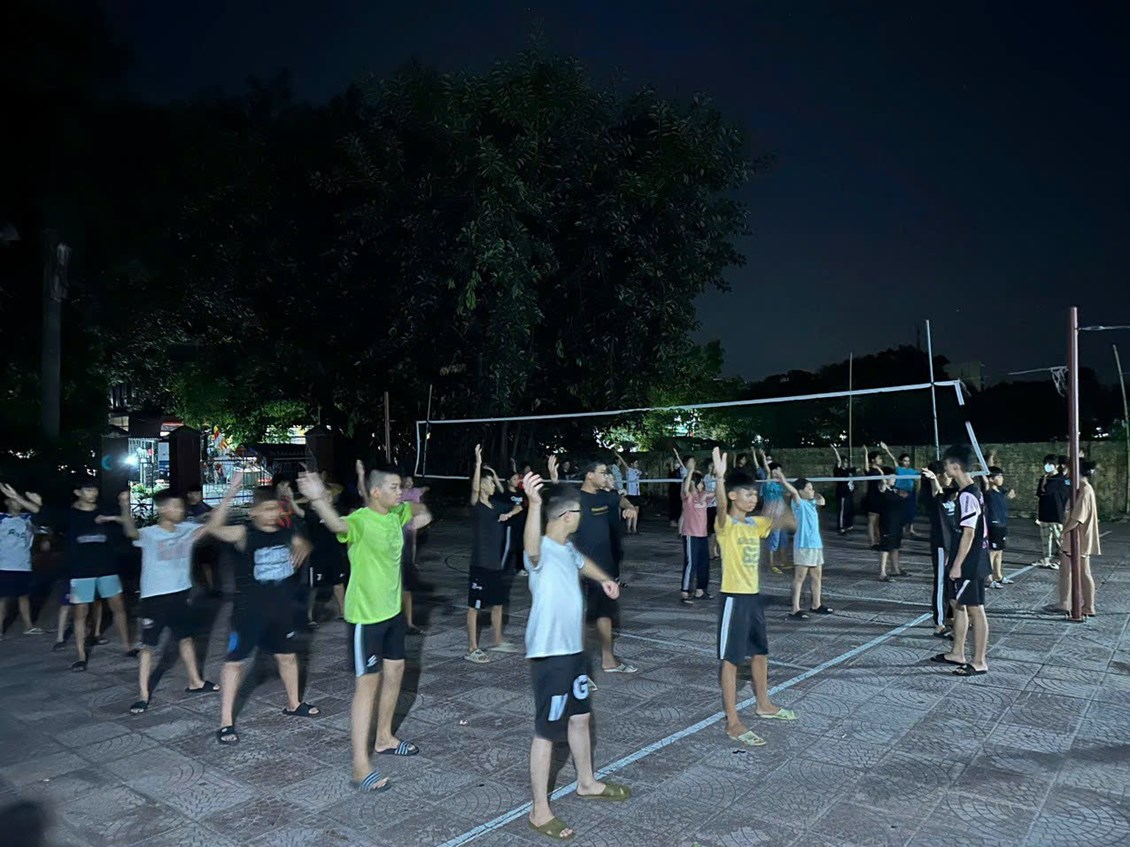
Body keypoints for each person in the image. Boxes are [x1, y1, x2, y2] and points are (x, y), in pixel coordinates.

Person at [299, 464, 432, 792]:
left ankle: (384, 738)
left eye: (400, 487)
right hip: (366, 619)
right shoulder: (360, 519)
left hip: (392, 613)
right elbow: (337, 524)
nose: (399, 492)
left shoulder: (396, 513)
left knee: (396, 673)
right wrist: (318, 499)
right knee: (367, 687)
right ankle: (360, 767)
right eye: (393, 487)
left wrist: (420, 510)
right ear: (375, 492)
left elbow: (417, 511)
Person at [521, 472, 630, 840]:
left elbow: (582, 563)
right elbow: (532, 547)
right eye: (579, 512)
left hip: (574, 653)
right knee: (547, 731)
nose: (583, 517)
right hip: (550, 654)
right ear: (567, 516)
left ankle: (587, 782)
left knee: (581, 718)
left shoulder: (567, 548)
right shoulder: (539, 549)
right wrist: (534, 505)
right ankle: (539, 810)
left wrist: (605, 579)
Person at [204, 473, 317, 745]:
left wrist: (305, 545)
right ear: (253, 511)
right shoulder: (245, 533)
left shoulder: (287, 531)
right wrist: (231, 492)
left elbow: (304, 543)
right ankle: (226, 722)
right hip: (247, 613)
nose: (272, 514)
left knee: (287, 657)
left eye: (275, 509)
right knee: (235, 663)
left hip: (280, 611)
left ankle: (294, 703)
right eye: (266, 509)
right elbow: (215, 528)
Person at [712, 448, 797, 748]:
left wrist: (782, 494)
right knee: (731, 659)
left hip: (753, 597)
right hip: (733, 598)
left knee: (760, 653)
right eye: (747, 494)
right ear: (733, 495)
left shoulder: (755, 524)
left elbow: (790, 523)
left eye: (754, 495)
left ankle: (764, 704)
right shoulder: (726, 525)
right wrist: (719, 479)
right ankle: (733, 721)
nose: (752, 499)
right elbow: (721, 507)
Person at [125, 489, 219, 714]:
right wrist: (124, 506)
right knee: (148, 647)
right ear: (162, 509)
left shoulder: (187, 529)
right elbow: (130, 532)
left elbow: (213, 525)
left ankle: (195, 682)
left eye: (181, 507)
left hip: (180, 595)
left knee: (185, 639)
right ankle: (143, 696)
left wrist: (230, 494)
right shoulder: (149, 533)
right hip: (154, 599)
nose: (180, 510)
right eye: (175, 506)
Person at [548, 455, 638, 674]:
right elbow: (555, 501)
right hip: (577, 566)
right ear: (590, 475)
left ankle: (608, 660)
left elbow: (621, 500)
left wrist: (629, 507)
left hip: (603, 567)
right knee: (577, 615)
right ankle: (578, 668)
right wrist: (553, 478)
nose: (606, 476)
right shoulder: (576, 497)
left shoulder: (606, 497)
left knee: (605, 614)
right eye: (602, 472)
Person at [930, 446, 990, 676]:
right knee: (958, 605)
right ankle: (957, 652)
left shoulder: (968, 495)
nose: (945, 469)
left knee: (976, 609)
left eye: (946, 465)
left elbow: (969, 533)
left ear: (955, 467)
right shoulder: (970, 492)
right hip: (968, 558)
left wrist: (956, 565)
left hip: (970, 562)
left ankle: (979, 661)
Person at [67, 481, 135, 671]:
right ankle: (81, 656)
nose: (93, 493)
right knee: (80, 612)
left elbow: (128, 527)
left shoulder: (105, 510)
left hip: (107, 568)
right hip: (81, 570)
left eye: (95, 489)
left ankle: (127, 647)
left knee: (118, 606)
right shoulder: (71, 513)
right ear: (78, 492)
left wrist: (123, 506)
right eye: (88, 489)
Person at [465, 446, 521, 663]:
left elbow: (518, 507)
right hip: (480, 564)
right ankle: (472, 648)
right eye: (488, 482)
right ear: (481, 486)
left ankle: (497, 640)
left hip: (495, 563)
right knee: (475, 607)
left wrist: (509, 514)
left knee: (498, 603)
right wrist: (479, 464)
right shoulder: (477, 505)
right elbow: (474, 490)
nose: (491, 485)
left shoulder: (496, 505)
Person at [775, 471, 832, 619]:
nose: (811, 490)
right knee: (800, 577)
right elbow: (794, 492)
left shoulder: (811, 503)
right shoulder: (798, 504)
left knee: (817, 576)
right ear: (800, 491)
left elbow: (822, 501)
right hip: (803, 545)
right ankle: (795, 609)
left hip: (816, 544)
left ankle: (816, 604)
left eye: (812, 488)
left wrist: (814, 494)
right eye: (808, 488)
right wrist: (783, 481)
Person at [1049, 462, 1100, 616]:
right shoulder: (1079, 489)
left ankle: (1089, 606)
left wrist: (1063, 532)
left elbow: (1078, 518)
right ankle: (1064, 602)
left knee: (1084, 571)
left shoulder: (1085, 490)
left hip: (1079, 537)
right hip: (1073, 536)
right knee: (1065, 570)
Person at [305, 471, 349, 629]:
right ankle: (308, 616)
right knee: (313, 587)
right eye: (326, 496)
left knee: (338, 584)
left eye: (330, 496)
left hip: (334, 554)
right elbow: (300, 512)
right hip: (317, 556)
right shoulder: (312, 514)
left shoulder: (338, 512)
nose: (329, 498)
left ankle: (343, 612)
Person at [0, 483, 45, 637]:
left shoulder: (28, 519)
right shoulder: (2, 519)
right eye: (14, 500)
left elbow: (42, 519)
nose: (18, 503)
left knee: (24, 596)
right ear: (7, 501)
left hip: (23, 564)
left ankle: (28, 626)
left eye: (19, 500)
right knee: (3, 599)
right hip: (4, 565)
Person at [921, 462, 958, 637]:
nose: (949, 478)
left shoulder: (949, 493)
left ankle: (951, 617)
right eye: (946, 475)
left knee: (952, 581)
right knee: (941, 582)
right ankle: (939, 623)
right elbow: (936, 493)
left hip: (954, 543)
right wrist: (933, 479)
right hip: (942, 544)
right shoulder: (931, 498)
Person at [398, 471, 430, 627]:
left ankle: (409, 622)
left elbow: (422, 507)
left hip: (408, 534)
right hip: (393, 558)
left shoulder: (413, 497)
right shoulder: (394, 510)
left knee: (407, 589)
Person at [678, 469, 711, 605]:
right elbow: (686, 489)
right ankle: (685, 591)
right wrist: (691, 472)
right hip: (691, 534)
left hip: (703, 534)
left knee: (704, 563)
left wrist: (704, 494)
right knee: (691, 563)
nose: (702, 484)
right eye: (700, 482)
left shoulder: (703, 496)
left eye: (703, 482)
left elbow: (717, 493)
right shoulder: (688, 497)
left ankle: (700, 590)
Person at [756, 451, 789, 573]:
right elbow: (767, 469)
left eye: (780, 471)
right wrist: (763, 457)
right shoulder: (768, 482)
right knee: (773, 539)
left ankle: (782, 561)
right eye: (777, 471)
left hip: (780, 514)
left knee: (783, 538)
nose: (779, 473)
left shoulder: (779, 484)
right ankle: (771, 564)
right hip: (771, 515)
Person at [1035, 455, 1070, 568]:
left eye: (1050, 464)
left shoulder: (1061, 479)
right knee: (1045, 539)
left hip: (1056, 513)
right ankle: (1046, 559)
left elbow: (1048, 490)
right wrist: (1044, 481)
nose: (1047, 466)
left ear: (1056, 465)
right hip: (1044, 513)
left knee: (1060, 539)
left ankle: (1064, 561)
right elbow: (1040, 493)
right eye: (1046, 464)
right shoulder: (1044, 478)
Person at [984, 466, 1016, 589]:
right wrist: (984, 470)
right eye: (999, 476)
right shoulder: (988, 492)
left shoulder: (1001, 491)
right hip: (993, 525)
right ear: (991, 479)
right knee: (992, 552)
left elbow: (1008, 495)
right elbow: (985, 480)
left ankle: (998, 575)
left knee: (999, 551)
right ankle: (988, 578)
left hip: (1003, 524)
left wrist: (1010, 495)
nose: (1002, 478)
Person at [877, 469, 909, 581]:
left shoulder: (894, 490)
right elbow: (882, 483)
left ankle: (895, 569)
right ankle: (882, 572)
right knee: (886, 546)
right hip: (887, 522)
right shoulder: (882, 488)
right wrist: (882, 476)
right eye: (892, 477)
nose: (894, 480)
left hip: (896, 522)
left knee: (895, 546)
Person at [881, 443, 920, 536]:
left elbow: (919, 477)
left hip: (910, 493)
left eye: (908, 461)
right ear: (901, 461)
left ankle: (911, 529)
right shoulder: (898, 469)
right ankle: (902, 529)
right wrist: (886, 449)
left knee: (911, 511)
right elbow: (893, 459)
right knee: (901, 511)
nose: (907, 462)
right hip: (900, 492)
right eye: (905, 461)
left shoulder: (912, 471)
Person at [861, 447, 885, 548]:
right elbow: (866, 466)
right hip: (872, 497)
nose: (880, 460)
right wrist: (866, 453)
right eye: (878, 458)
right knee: (871, 521)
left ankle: (878, 540)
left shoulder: (880, 470)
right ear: (873, 460)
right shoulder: (870, 470)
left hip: (880, 497)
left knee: (878, 522)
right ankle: (872, 542)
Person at [830, 446, 856, 535]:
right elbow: (838, 460)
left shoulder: (848, 470)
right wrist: (835, 450)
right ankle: (840, 527)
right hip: (842, 493)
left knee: (849, 510)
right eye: (844, 462)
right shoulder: (838, 470)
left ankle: (849, 525)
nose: (845, 463)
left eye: (846, 462)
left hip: (849, 493)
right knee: (842, 510)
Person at [614, 451, 642, 533]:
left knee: (636, 512)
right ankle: (628, 529)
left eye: (637, 463)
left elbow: (639, 473)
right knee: (630, 511)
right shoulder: (629, 470)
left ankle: (634, 529)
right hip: (630, 494)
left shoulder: (638, 472)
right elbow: (624, 464)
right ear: (631, 464)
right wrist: (619, 456)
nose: (637, 465)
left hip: (637, 494)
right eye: (636, 463)